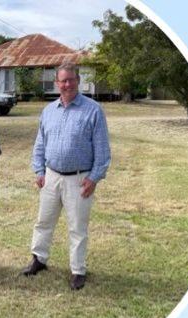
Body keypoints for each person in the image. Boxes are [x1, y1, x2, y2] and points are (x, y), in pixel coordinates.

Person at [21, 63, 111, 291]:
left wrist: (94, 178)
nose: (67, 84)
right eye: (63, 80)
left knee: (77, 227)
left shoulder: (93, 110)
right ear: (56, 83)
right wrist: (39, 171)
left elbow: (102, 150)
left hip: (79, 180)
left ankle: (78, 270)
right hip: (51, 177)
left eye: (71, 80)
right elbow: (40, 143)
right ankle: (39, 259)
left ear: (78, 81)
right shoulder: (49, 111)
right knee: (43, 221)